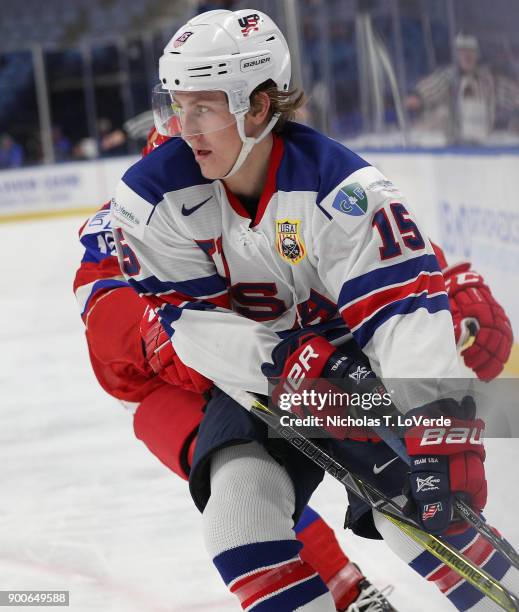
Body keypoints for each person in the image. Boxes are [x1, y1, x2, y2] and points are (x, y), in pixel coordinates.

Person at [109, 9, 516, 610]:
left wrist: (440, 433)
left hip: (359, 365)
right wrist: (285, 367)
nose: (182, 128)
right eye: (175, 105)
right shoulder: (153, 197)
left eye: (204, 108)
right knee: (239, 519)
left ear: (257, 105)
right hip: (258, 375)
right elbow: (186, 323)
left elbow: (402, 318)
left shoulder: (344, 191)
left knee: (420, 511)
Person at [73, 129, 397, 612]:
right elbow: (99, 305)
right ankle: (347, 588)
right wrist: (150, 329)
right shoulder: (129, 214)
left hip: (236, 359)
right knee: (239, 484)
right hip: (159, 386)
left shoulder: (260, 194)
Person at [405, 33, 519, 145]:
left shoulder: (490, 81)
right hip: (452, 148)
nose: (467, 55)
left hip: (484, 146)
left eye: (471, 51)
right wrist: (417, 97)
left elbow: (514, 95)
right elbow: (428, 90)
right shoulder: (447, 77)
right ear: (456, 54)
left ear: (478, 53)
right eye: (462, 51)